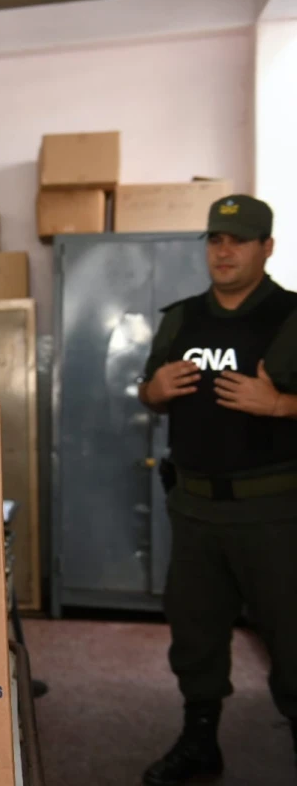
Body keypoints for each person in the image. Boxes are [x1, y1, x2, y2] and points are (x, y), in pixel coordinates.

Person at [137, 194, 297, 785]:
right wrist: (153, 391)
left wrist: (279, 403)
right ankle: (200, 742)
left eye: (238, 239)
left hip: (274, 513)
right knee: (196, 635)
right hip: (195, 509)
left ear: (267, 247)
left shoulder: (289, 316)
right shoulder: (181, 319)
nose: (224, 250)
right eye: (215, 239)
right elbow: (146, 393)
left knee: (292, 640)